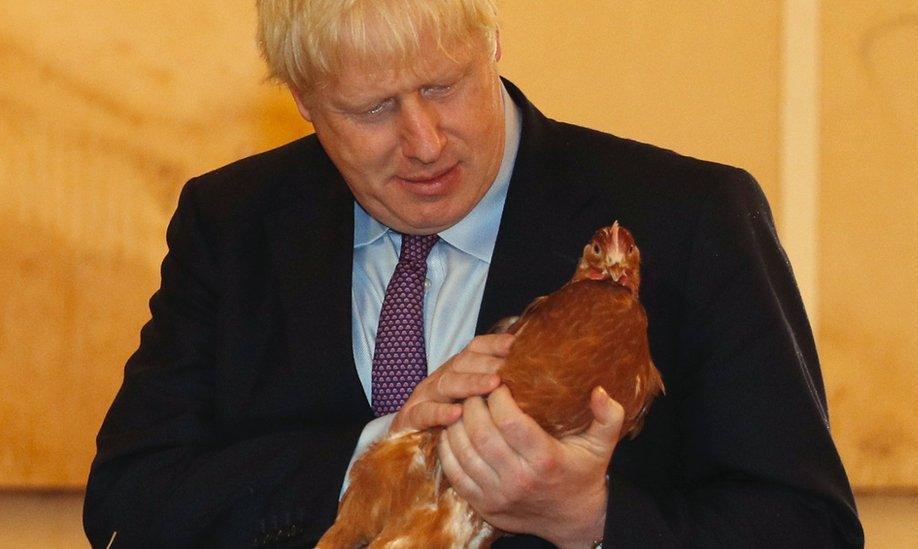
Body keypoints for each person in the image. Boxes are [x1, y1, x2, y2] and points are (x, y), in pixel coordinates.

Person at [83, 1, 864, 547]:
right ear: (304, 101)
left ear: (493, 41)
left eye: (442, 86)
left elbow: (808, 527)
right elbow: (131, 503)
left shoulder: (689, 217)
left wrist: (587, 518)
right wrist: (384, 446)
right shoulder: (234, 223)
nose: (423, 140)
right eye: (372, 109)